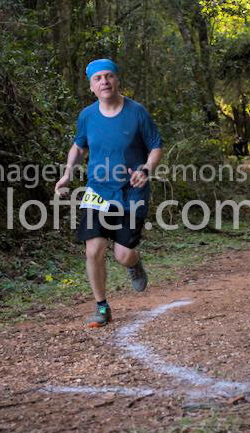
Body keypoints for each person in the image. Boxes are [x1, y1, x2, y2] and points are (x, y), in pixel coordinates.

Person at [55, 59, 163, 328]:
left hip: (131, 192)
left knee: (123, 255)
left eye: (108, 76)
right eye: (98, 79)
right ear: (91, 86)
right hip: (97, 191)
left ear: (117, 80)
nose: (104, 82)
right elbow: (78, 147)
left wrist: (147, 168)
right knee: (94, 249)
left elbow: (156, 146)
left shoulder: (137, 112)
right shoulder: (87, 116)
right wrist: (68, 172)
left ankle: (134, 263)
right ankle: (102, 306)